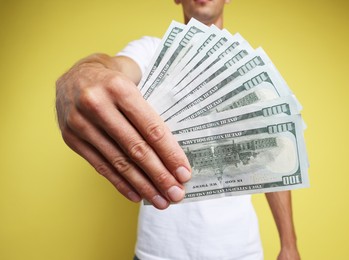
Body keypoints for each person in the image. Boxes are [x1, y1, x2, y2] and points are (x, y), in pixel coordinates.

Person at [55, 0, 301, 259]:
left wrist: (289, 244)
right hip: (159, 249)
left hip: (237, 248)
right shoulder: (151, 51)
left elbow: (273, 160)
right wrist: (85, 71)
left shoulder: (250, 66)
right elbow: (114, 66)